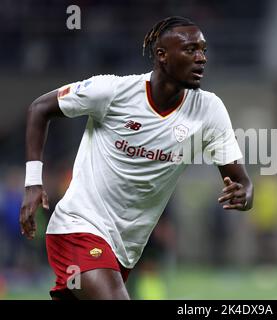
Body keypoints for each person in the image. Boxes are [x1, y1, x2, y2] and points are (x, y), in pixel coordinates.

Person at [20, 16, 253, 300]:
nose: (201, 58)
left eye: (203, 49)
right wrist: (33, 183)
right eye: (190, 50)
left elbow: (242, 184)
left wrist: (242, 195)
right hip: (78, 226)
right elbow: (39, 108)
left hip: (126, 248)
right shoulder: (113, 92)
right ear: (162, 56)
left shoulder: (210, 110)